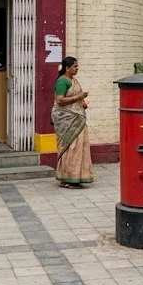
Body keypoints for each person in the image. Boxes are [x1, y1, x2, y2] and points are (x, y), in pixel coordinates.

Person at [52, 57, 93, 188]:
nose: (77, 68)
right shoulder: (62, 82)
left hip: (78, 118)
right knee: (70, 146)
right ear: (67, 68)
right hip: (67, 119)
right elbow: (59, 100)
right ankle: (69, 178)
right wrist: (78, 98)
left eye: (77, 66)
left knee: (79, 146)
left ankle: (74, 176)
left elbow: (77, 97)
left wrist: (83, 103)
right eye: (75, 66)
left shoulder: (73, 81)